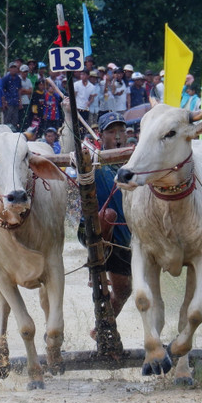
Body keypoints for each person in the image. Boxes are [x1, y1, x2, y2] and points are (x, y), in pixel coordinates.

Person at [62, 107, 133, 326]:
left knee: (124, 292)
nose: (119, 136)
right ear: (101, 135)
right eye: (112, 132)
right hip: (93, 230)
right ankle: (96, 265)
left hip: (123, 241)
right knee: (108, 214)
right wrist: (68, 114)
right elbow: (72, 151)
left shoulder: (134, 162)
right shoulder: (91, 157)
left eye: (122, 130)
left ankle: (102, 329)